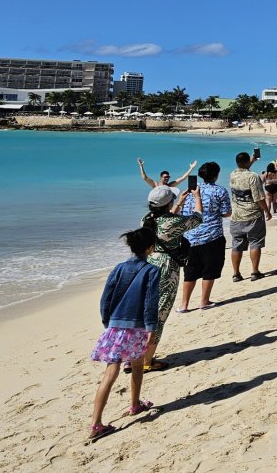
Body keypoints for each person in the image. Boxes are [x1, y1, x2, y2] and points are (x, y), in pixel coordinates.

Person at [89, 227, 160, 442]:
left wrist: (107, 322)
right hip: (137, 327)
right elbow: (150, 303)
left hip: (115, 326)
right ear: (150, 248)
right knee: (136, 366)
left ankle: (97, 422)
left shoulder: (119, 268)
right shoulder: (152, 271)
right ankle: (133, 404)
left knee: (111, 372)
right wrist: (151, 328)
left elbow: (106, 298)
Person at [138, 183, 202, 371]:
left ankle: (135, 354)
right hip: (167, 267)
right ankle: (147, 361)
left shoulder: (146, 220)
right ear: (168, 203)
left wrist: (179, 203)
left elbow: (165, 221)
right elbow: (197, 219)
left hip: (148, 263)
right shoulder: (173, 222)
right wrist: (196, 198)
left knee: (145, 311)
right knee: (160, 312)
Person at [177, 161, 231, 312]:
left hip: (190, 237)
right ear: (216, 175)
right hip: (211, 235)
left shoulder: (190, 191)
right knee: (210, 268)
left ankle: (184, 304)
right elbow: (227, 213)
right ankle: (204, 301)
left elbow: (184, 212)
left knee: (190, 271)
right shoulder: (220, 191)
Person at [228, 151, 271, 282]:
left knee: (236, 245)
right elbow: (258, 197)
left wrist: (252, 160)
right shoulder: (253, 176)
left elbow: (244, 170)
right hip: (253, 215)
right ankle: (254, 271)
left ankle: (236, 273)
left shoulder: (233, 174)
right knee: (255, 242)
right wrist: (267, 211)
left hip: (236, 216)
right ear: (247, 162)